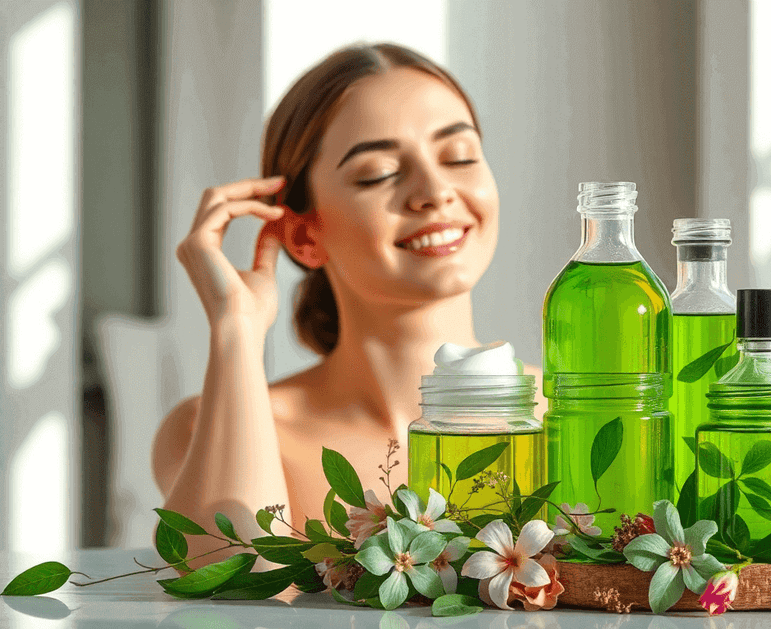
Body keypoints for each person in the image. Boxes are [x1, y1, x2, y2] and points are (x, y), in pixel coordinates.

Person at [152, 43, 540, 556]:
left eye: (459, 156)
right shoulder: (211, 424)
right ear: (303, 236)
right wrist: (237, 330)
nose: (435, 188)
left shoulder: (583, 413)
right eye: (378, 173)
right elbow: (233, 577)